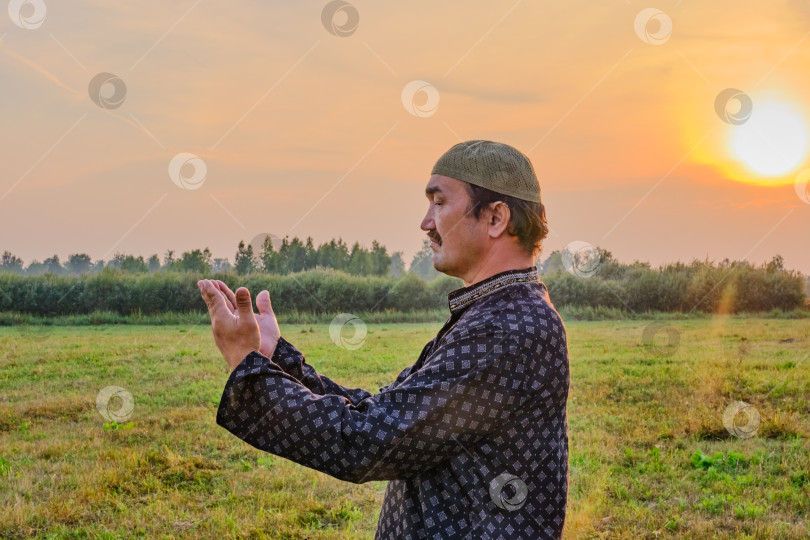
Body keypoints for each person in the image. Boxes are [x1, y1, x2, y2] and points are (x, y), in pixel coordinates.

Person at [198, 140, 570, 539]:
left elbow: (365, 440)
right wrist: (272, 357)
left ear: (496, 217)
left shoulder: (509, 329)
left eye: (439, 202)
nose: (426, 222)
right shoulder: (495, 313)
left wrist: (247, 365)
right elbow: (379, 412)